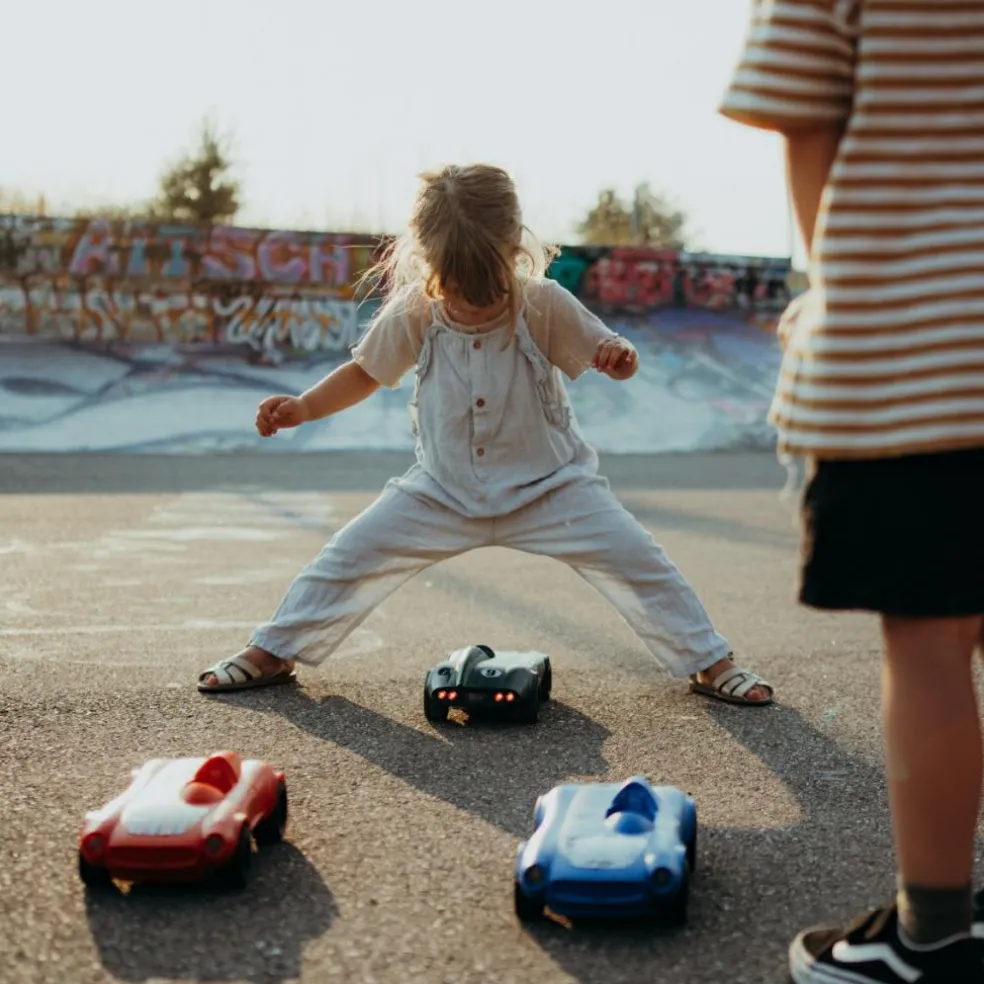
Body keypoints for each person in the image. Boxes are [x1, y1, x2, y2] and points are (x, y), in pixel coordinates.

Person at [198, 164, 773, 709]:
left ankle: (709, 660)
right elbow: (364, 373)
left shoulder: (541, 301)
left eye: (484, 276)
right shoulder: (416, 310)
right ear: (427, 257)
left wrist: (617, 358)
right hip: (441, 491)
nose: (469, 294)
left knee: (639, 561)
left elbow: (611, 353)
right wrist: (301, 407)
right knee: (347, 557)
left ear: (513, 245)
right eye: (454, 278)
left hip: (554, 489)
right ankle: (273, 650)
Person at [719, 2, 984, 981]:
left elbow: (805, 114)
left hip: (931, 352)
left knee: (930, 641)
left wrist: (843, 283)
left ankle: (936, 938)